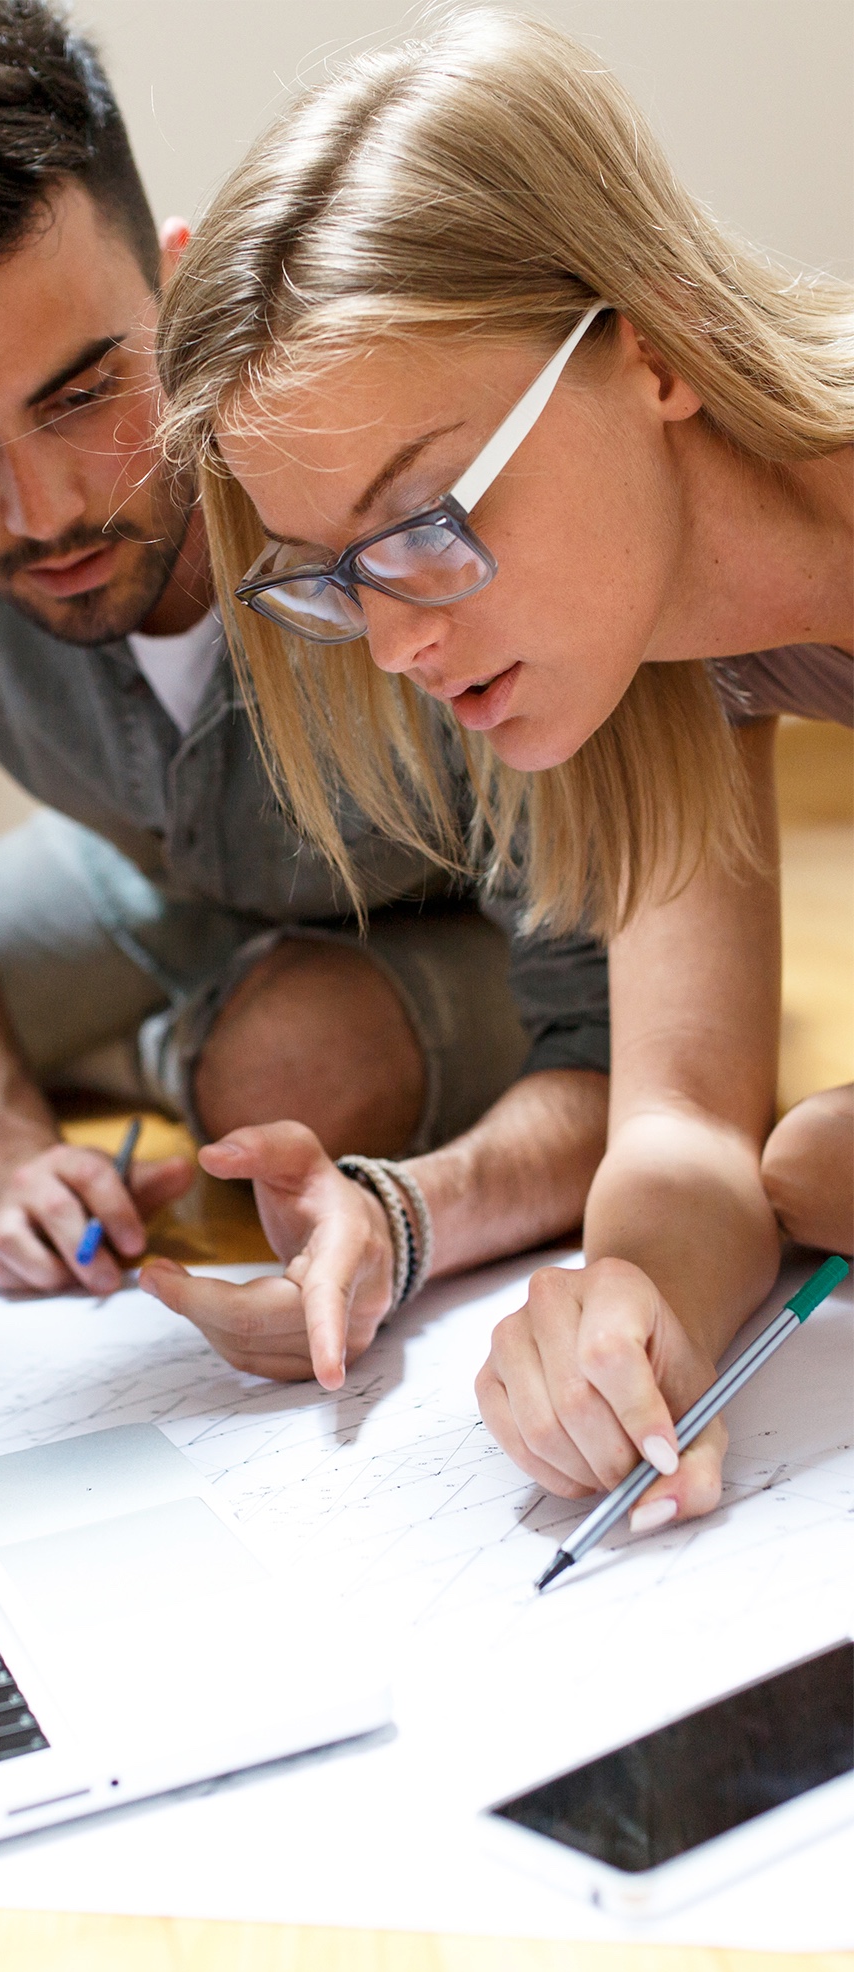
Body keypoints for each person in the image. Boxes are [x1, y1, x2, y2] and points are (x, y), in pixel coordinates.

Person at [0, 0, 613, 1383]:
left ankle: (198, 1051)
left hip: (466, 915)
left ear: (179, 289)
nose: (42, 506)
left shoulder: (367, 460)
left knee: (290, 1075)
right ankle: (180, 1045)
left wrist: (406, 1213)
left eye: (83, 396)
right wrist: (8, 1152)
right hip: (149, 891)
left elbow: (629, 1057)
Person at [154, 8, 851, 1530]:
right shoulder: (661, 660)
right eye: (336, 575)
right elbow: (682, 1119)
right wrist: (631, 1306)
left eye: (422, 522)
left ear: (650, 347)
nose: (396, 643)